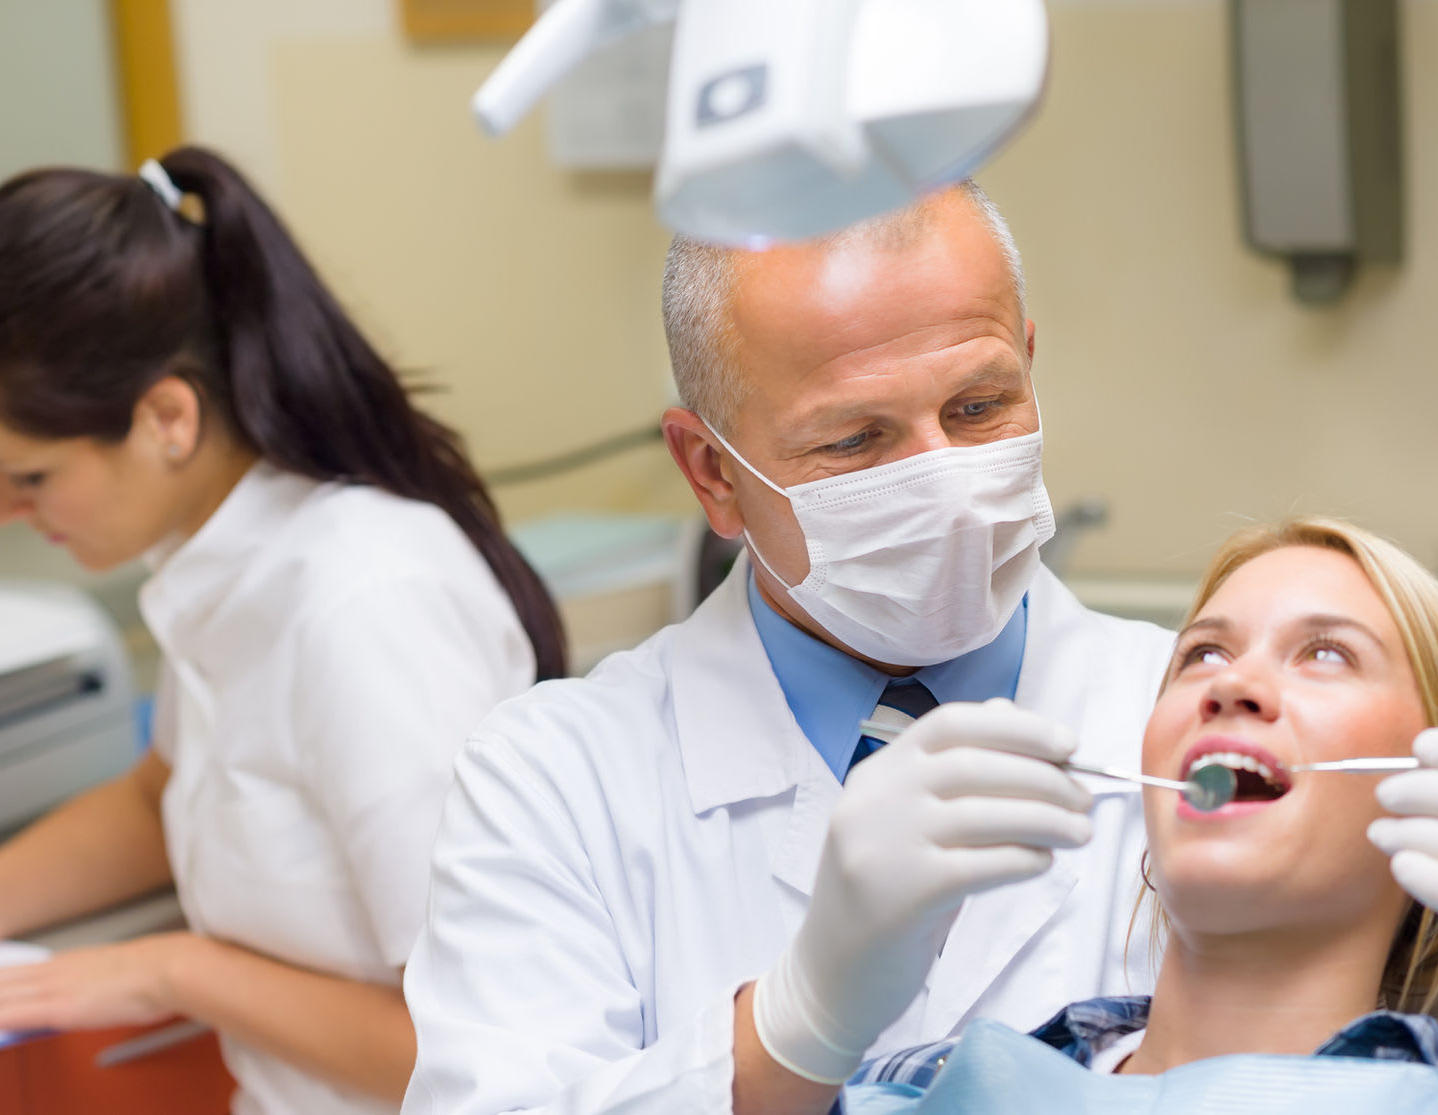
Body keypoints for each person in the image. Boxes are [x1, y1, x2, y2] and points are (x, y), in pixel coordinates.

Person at [0, 148, 564, 1115]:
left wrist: (177, 973)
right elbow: (163, 798)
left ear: (166, 419)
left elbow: (488, 1053)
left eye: (26, 474)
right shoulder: (225, 559)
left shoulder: (365, 608)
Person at [400, 183, 1180, 1115]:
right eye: (855, 439)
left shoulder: (1189, 724)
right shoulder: (553, 781)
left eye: (979, 407)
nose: (945, 485)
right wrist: (792, 1026)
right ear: (713, 472)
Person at [841, 518, 1438, 1112]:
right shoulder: (923, 1086)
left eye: (1327, 653)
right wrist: (810, 1015)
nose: (1229, 683)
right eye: (1203, 651)